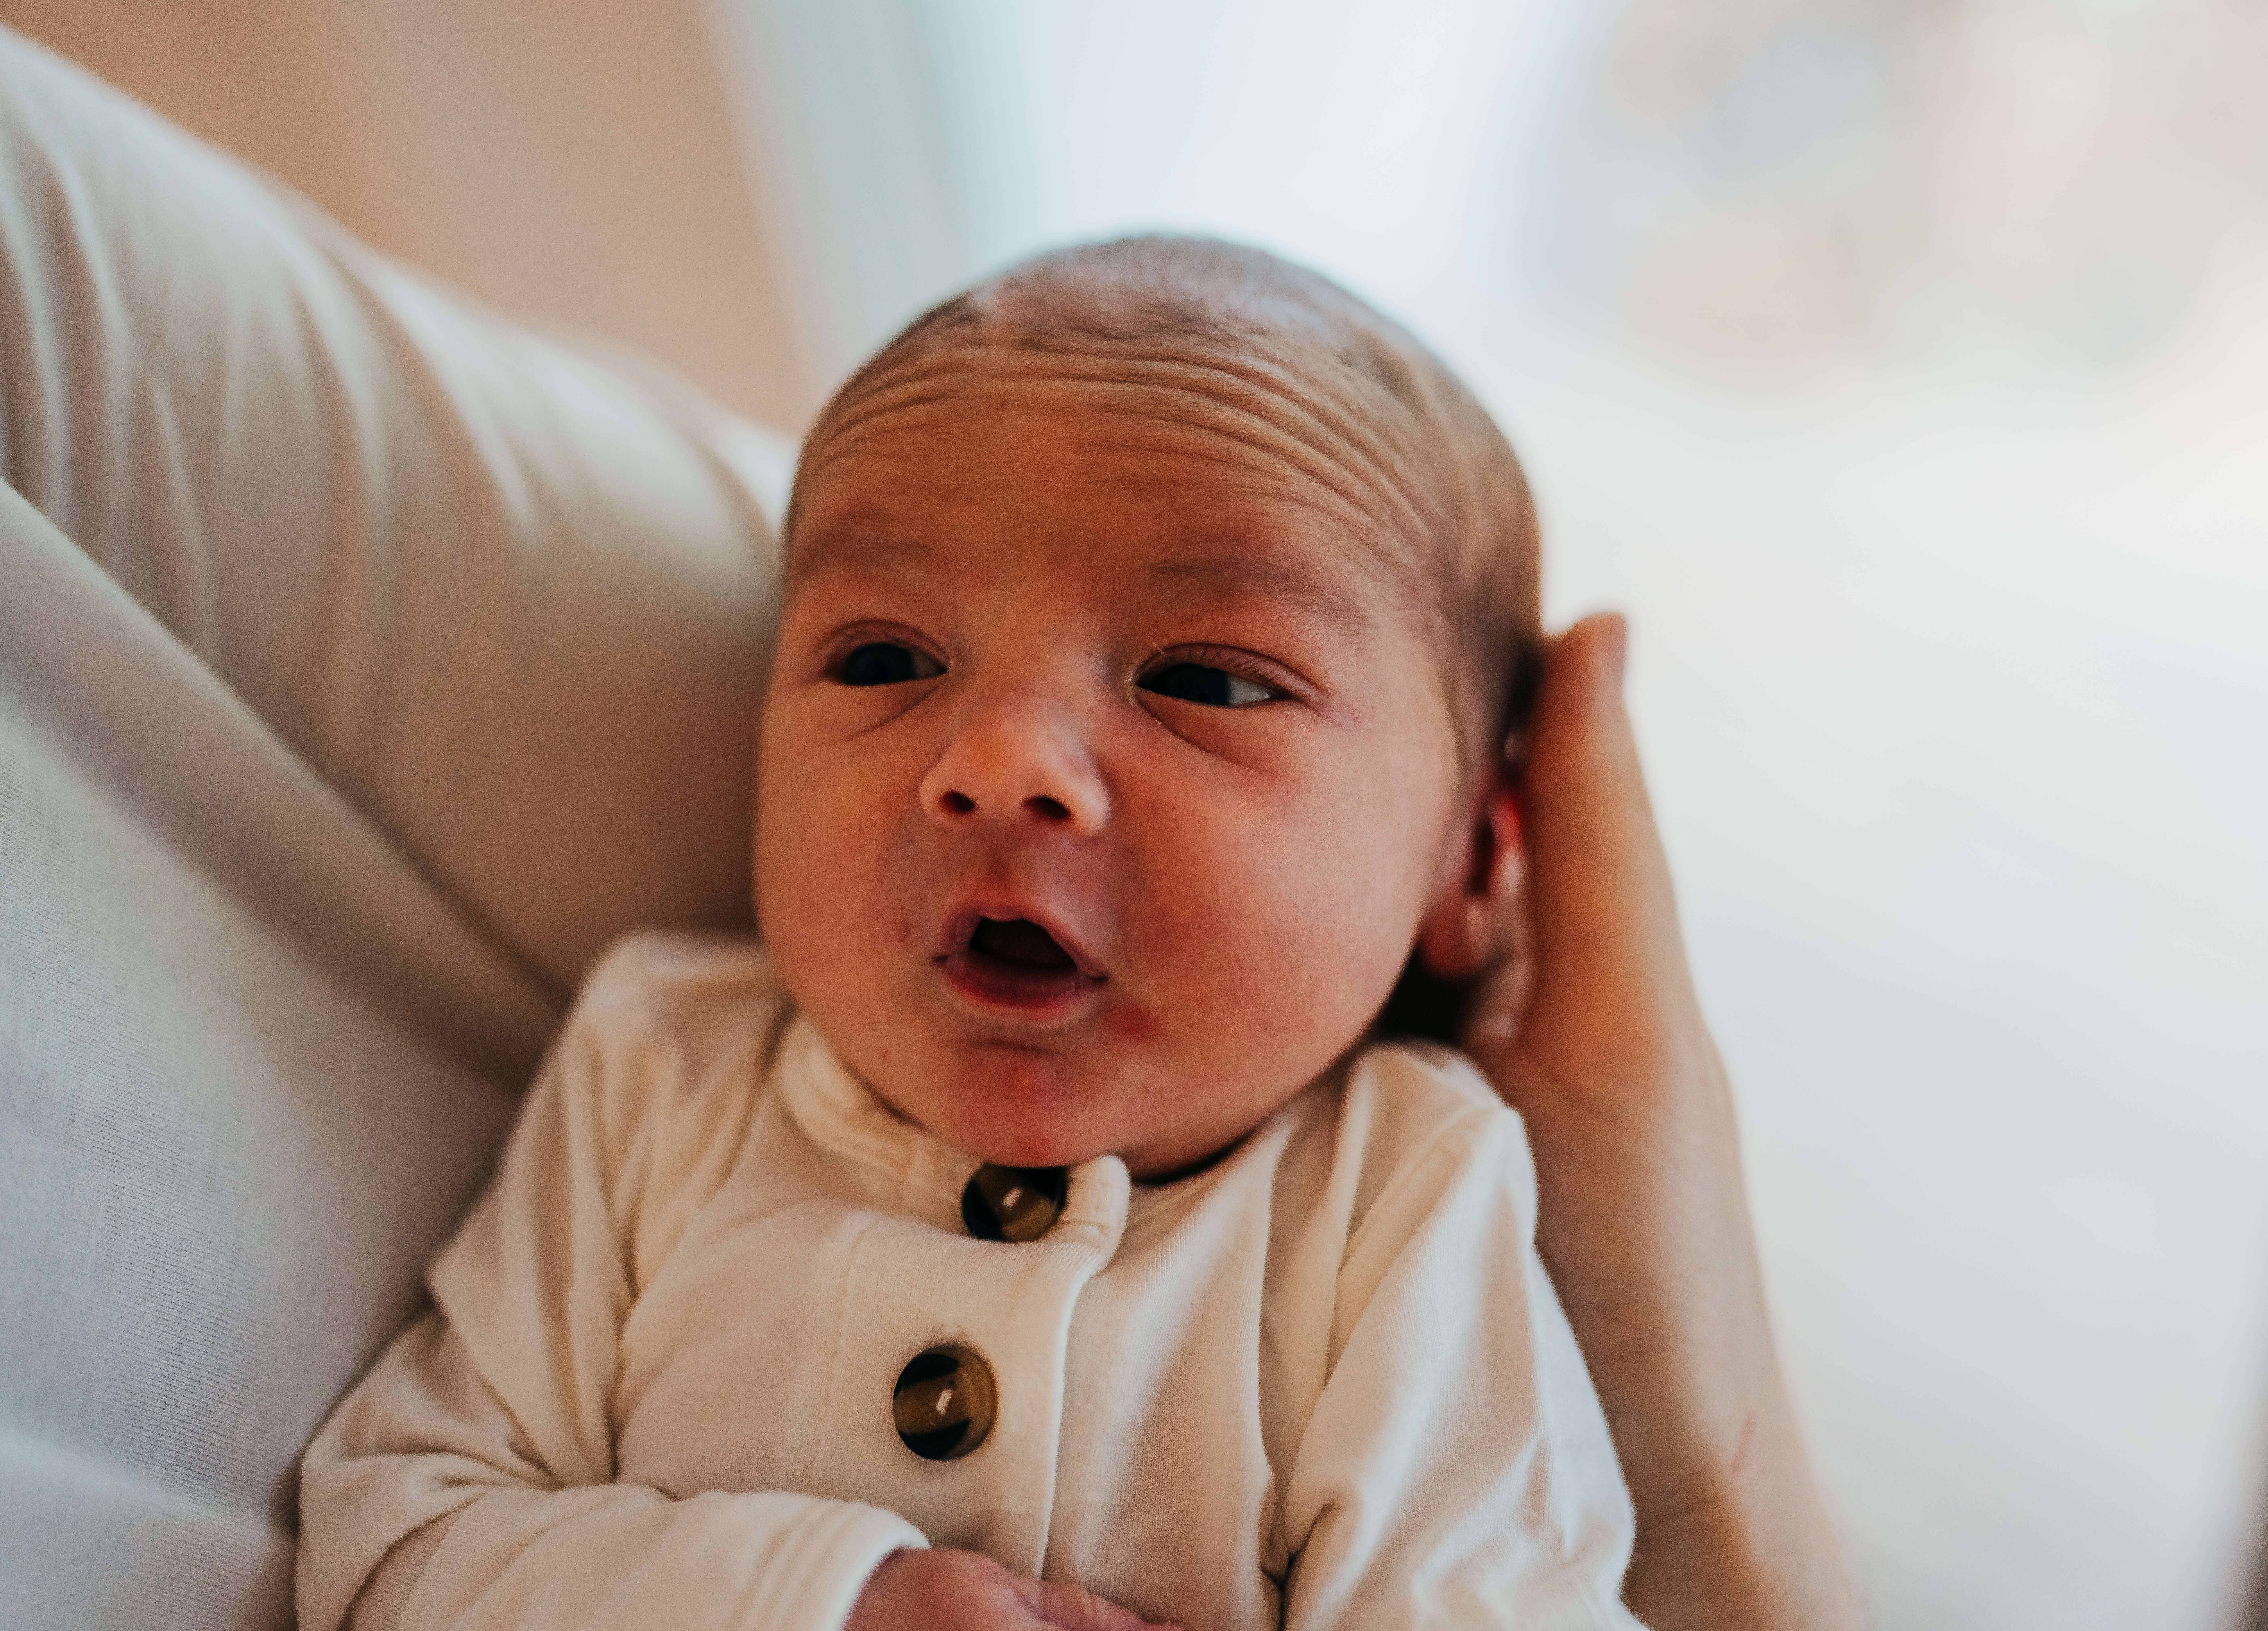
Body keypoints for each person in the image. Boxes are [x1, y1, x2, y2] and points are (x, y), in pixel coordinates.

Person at [0, 27, 1858, 1627]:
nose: (997, 765)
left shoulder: (1409, 1197)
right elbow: (396, 1547)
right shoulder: (660, 1073)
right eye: (886, 656)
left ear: (1474, 869)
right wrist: (830, 1597)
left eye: (1209, 679)